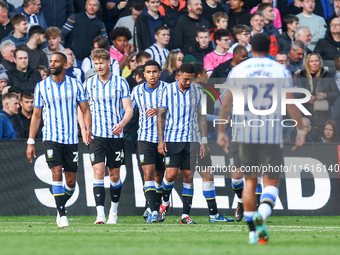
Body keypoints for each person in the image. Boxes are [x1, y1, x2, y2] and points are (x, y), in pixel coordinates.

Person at [217, 33, 307, 244]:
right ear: (270, 49)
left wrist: (221, 132)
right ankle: (262, 215)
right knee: (271, 183)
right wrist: (301, 130)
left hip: (245, 133)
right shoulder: (280, 70)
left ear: (250, 48)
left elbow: (226, 104)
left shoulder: (238, 70)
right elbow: (291, 104)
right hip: (271, 133)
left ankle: (252, 232)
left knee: (250, 182)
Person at [157, 63, 231, 224]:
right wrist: (160, 140)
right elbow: (161, 115)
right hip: (172, 139)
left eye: (191, 79)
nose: (188, 83)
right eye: (185, 79)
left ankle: (185, 215)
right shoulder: (167, 90)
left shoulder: (197, 92)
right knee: (170, 175)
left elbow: (201, 117)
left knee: (188, 176)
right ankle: (164, 203)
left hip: (192, 139)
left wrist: (204, 142)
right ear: (178, 76)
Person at [26, 52, 93, 228]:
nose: (53, 64)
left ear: (64, 65)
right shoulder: (41, 86)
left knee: (70, 182)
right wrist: (31, 141)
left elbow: (85, 109)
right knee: (56, 171)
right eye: (51, 61)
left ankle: (59, 205)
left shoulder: (76, 85)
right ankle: (63, 215)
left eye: (56, 61)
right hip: (51, 137)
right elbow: (36, 115)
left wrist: (87, 130)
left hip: (71, 138)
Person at [78, 49, 133, 224]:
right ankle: (100, 214)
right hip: (96, 136)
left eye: (102, 62)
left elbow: (129, 110)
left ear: (109, 63)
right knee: (98, 172)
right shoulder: (88, 84)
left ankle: (114, 212)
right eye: (96, 63)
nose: (99, 66)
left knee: (115, 175)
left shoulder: (121, 83)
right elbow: (82, 110)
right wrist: (84, 129)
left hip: (115, 135)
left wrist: (122, 124)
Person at [131, 60, 167, 222]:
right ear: (143, 74)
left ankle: (153, 205)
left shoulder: (168, 89)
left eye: (155, 72)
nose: (152, 75)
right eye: (148, 72)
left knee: (161, 176)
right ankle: (153, 210)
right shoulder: (137, 91)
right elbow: (127, 111)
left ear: (159, 72)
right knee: (148, 174)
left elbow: (177, 108)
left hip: (166, 138)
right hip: (145, 138)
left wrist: (160, 110)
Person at [297, 52, 340, 140]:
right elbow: (296, 94)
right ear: (307, 63)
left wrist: (326, 95)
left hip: (323, 115)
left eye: (316, 61)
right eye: (312, 61)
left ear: (320, 62)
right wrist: (306, 99)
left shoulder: (328, 75)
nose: (314, 63)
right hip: (307, 113)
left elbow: (336, 93)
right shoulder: (301, 76)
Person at [61, 0, 107, 65]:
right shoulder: (74, 18)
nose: (92, 7)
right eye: (90, 4)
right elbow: (62, 34)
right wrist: (65, 50)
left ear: (98, 8)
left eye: (95, 5)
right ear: (86, 6)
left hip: (90, 59)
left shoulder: (100, 24)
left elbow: (104, 42)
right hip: (73, 58)